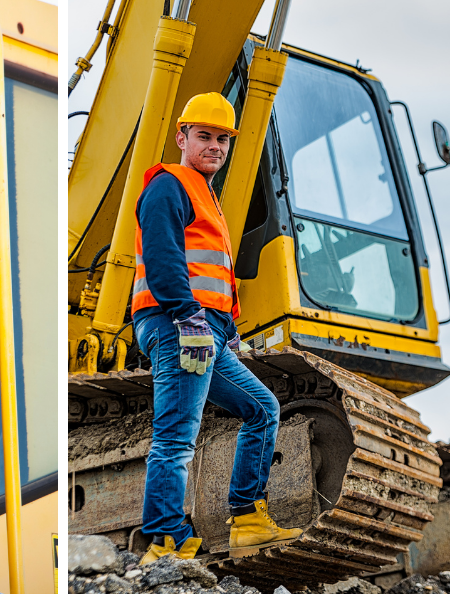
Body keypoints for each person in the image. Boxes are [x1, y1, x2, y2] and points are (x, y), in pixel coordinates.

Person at [130, 92, 303, 563]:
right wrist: (188, 318)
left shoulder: (206, 194)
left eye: (223, 139)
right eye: (204, 136)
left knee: (262, 408)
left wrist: (226, 329)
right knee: (176, 436)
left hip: (203, 328)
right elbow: (166, 262)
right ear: (181, 137)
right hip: (175, 324)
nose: (215, 147)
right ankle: (164, 541)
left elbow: (212, 274)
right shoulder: (170, 186)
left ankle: (246, 518)